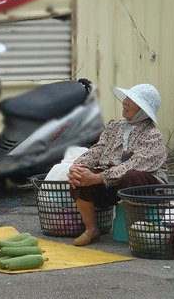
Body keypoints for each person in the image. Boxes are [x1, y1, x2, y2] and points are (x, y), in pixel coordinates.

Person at [68, 84, 168, 246]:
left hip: (145, 187)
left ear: (143, 109)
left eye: (132, 100)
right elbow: (98, 150)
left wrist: (98, 177)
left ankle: (138, 230)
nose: (126, 102)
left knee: (132, 176)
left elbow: (136, 165)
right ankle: (91, 230)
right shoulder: (115, 127)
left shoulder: (152, 136)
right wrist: (77, 166)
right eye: (127, 98)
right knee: (80, 176)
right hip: (112, 182)